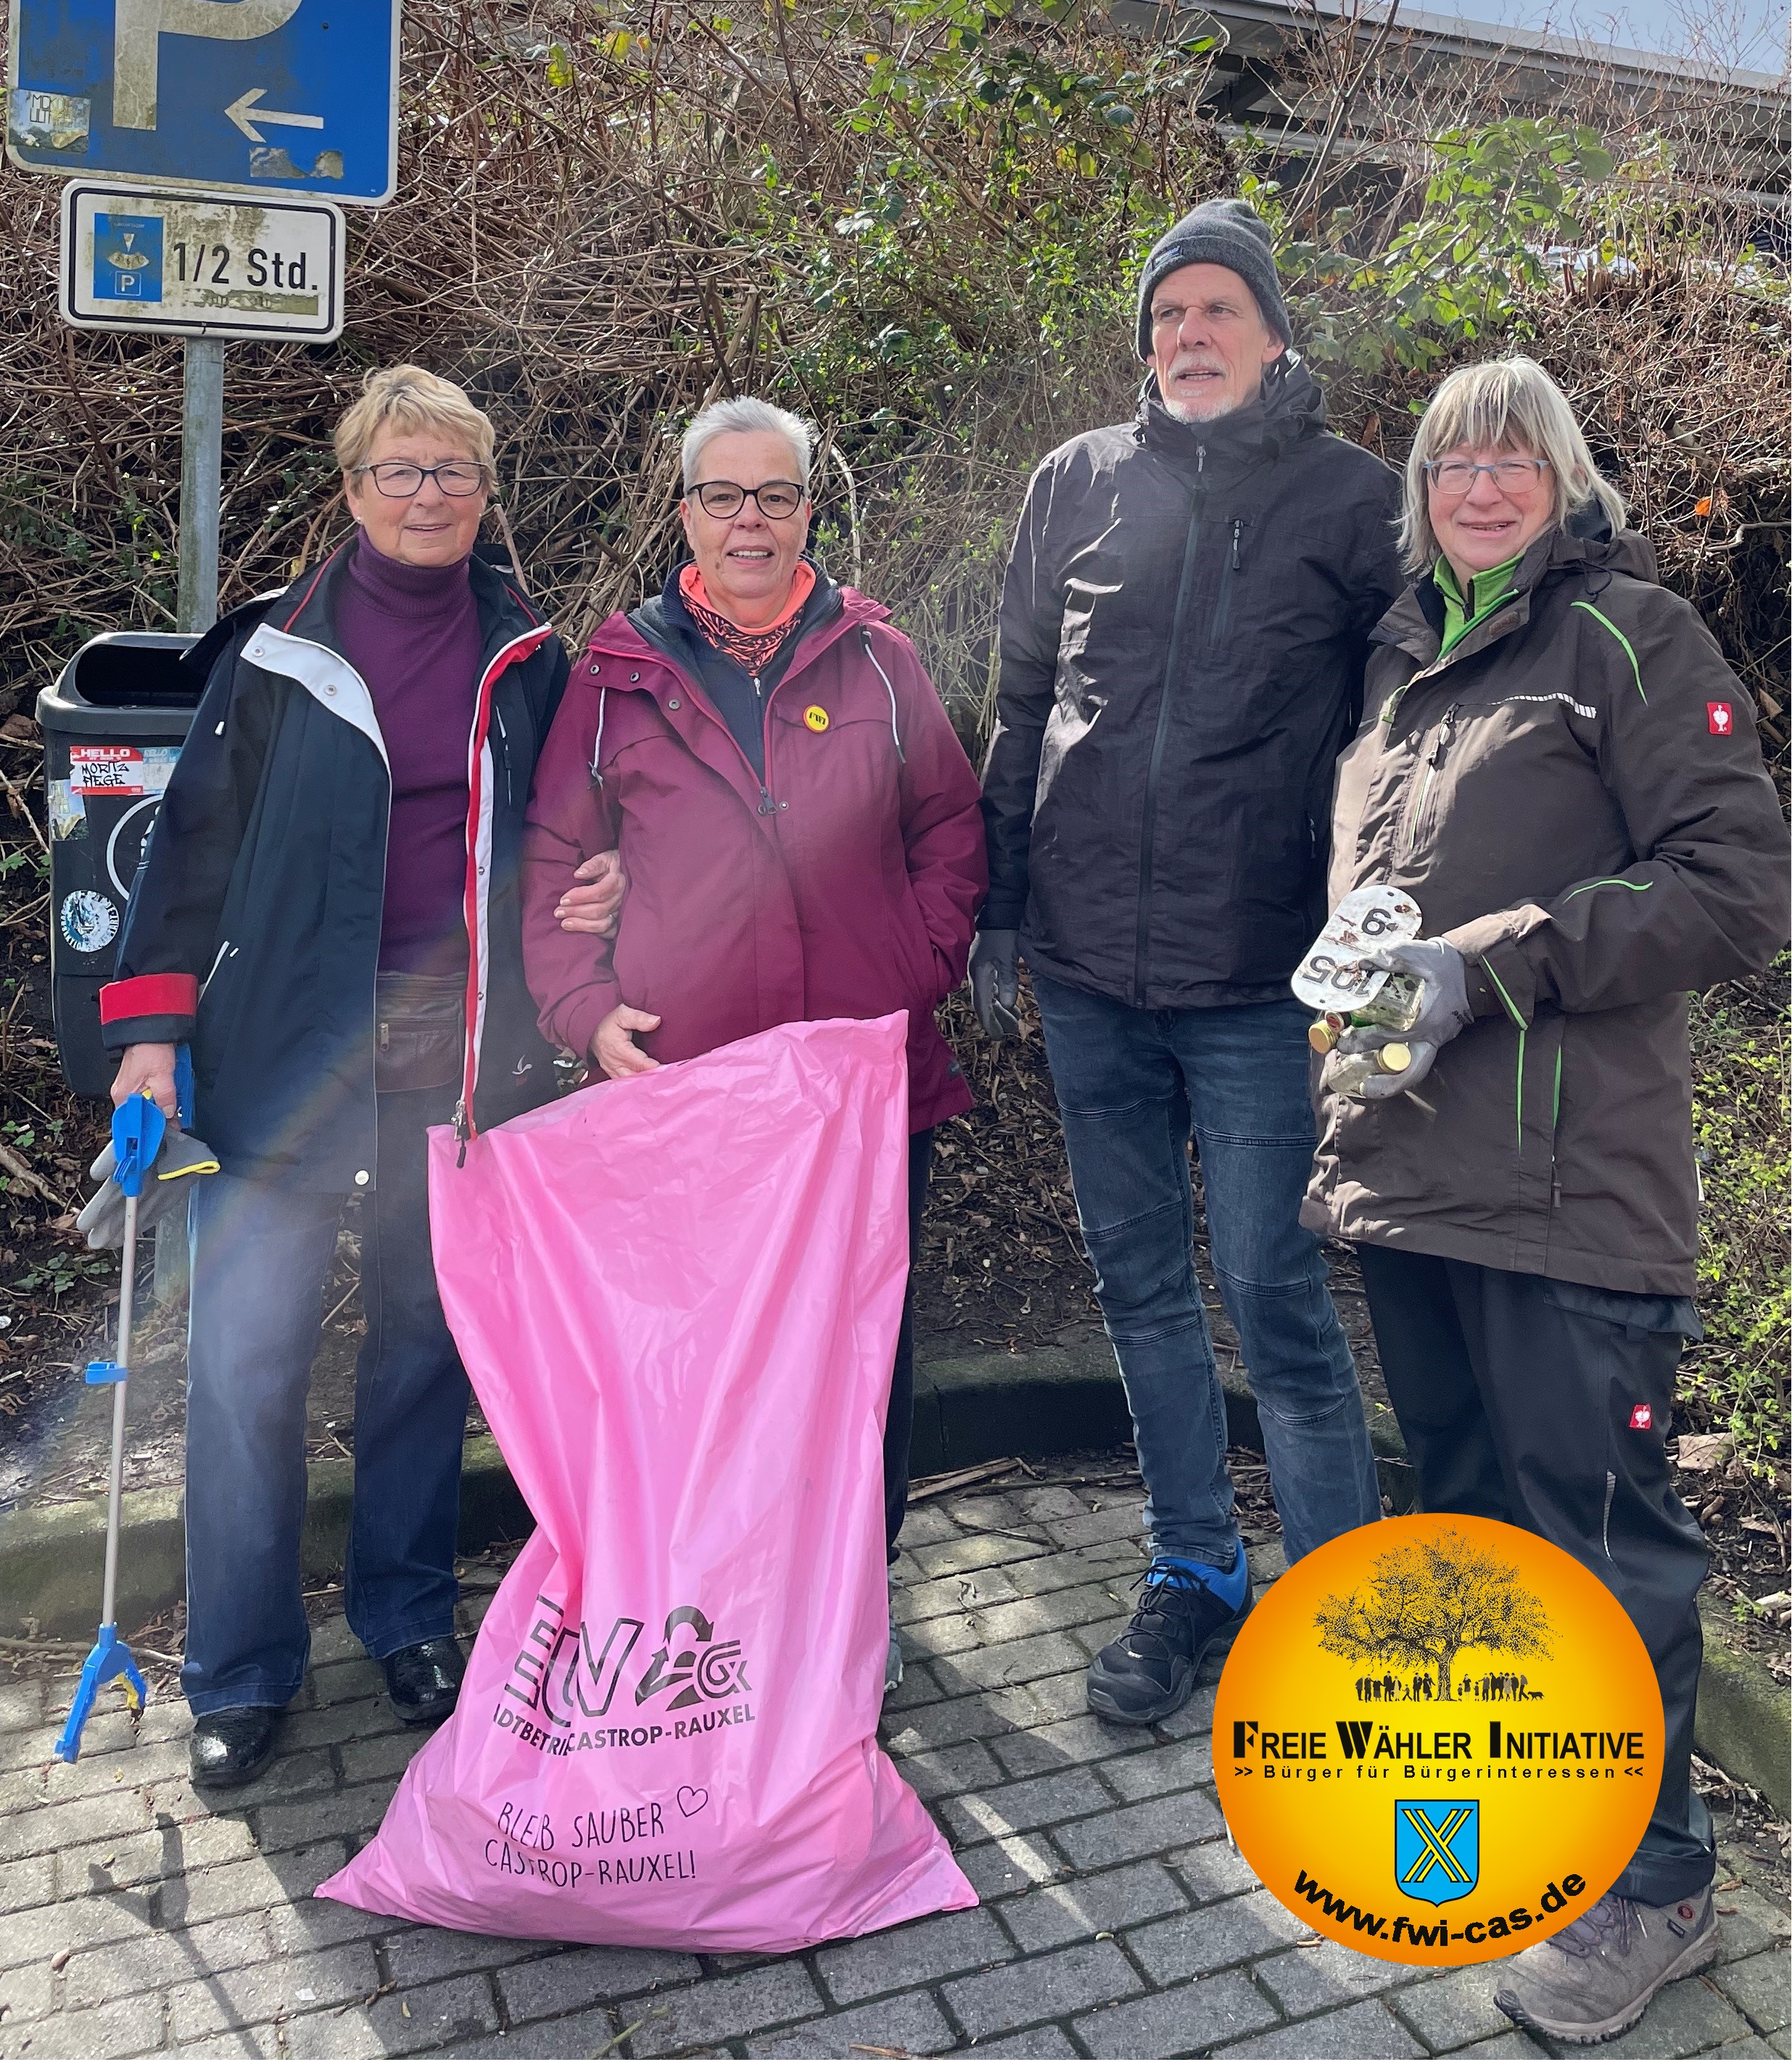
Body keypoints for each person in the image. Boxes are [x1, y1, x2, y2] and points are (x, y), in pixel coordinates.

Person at [1303, 355, 1788, 2045]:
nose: (1484, 485)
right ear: (1422, 494)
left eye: (1516, 460)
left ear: (1566, 484)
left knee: (1598, 1553)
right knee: (1481, 1543)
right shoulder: (1398, 675)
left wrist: (1489, 963)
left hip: (1575, 1188)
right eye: (1453, 463)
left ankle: (1660, 1890)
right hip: (1417, 1183)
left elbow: (1738, 888)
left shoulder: (1634, 638)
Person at [100, 366, 622, 1788]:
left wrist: (605, 881)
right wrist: (151, 1036)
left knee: (419, 1351)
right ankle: (244, 1670)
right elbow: (190, 852)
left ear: (485, 490)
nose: (427, 494)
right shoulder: (272, 655)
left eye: (452, 470)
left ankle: (403, 1614)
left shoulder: (531, 656)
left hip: (456, 1060)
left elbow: (576, 831)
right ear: (350, 491)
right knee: (247, 1359)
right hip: (281, 1057)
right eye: (399, 470)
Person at [972, 197, 1403, 1726]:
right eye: (1166, 316)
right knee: (1142, 1286)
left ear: (1276, 332)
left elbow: (1404, 741)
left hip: (1260, 978)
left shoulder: (1359, 504)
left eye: (1218, 309)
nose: (1189, 335)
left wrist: (1365, 940)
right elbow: (1024, 701)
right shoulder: (1074, 483)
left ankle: (1337, 1606)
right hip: (1090, 971)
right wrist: (1001, 905)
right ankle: (1193, 1572)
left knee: (1279, 1289)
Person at [520, 395, 986, 1689]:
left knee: (858, 1365)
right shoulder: (617, 677)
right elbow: (555, 860)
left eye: (774, 496)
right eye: (722, 497)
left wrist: (917, 966)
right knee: (707, 1372)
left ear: (807, 514)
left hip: (861, 1092)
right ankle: (714, 1617)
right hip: (690, 1092)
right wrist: (580, 1006)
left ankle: (850, 1618)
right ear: (683, 514)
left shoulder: (881, 663)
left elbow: (952, 828)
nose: (749, 521)